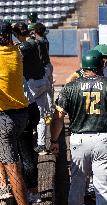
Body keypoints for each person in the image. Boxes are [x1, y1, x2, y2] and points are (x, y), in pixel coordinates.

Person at [50, 50, 107, 205]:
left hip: (79, 139)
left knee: (77, 183)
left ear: (84, 66)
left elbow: (58, 117)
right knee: (103, 187)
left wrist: (54, 140)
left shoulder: (70, 87)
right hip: (103, 139)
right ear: (100, 65)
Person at [0, 20, 29, 205]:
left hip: (5, 117)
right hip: (21, 114)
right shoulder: (16, 51)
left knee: (13, 169)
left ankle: (21, 202)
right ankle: (3, 186)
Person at [13, 22, 52, 155]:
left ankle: (26, 141)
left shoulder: (25, 45)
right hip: (42, 80)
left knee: (25, 112)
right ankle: (41, 145)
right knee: (41, 115)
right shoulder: (38, 41)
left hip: (32, 84)